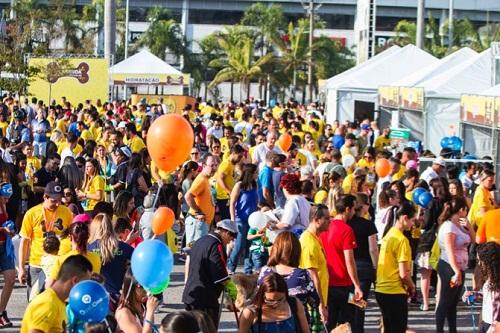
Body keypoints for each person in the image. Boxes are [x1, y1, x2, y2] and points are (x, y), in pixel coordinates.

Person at [18, 181, 73, 297]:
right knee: (34, 302)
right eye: (54, 200)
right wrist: (22, 268)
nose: (57, 204)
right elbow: (25, 242)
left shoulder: (67, 212)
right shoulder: (32, 214)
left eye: (59, 200)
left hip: (58, 265)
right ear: (45, 197)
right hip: (37, 265)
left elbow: (72, 237)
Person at [258, 231, 320, 328]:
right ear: (297, 251)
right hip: (296, 325)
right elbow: (315, 301)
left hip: (268, 325)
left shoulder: (264, 272)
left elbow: (257, 297)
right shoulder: (302, 275)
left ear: (276, 249)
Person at [182, 219, 237, 328]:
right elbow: (218, 270)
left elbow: (188, 261)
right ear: (225, 232)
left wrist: (186, 281)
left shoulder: (200, 240)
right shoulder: (216, 245)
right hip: (205, 298)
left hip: (191, 293)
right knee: (208, 329)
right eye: (231, 236)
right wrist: (229, 285)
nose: (231, 240)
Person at [320, 194, 363, 330]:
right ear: (347, 209)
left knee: (329, 322)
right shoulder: (347, 230)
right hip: (345, 285)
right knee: (350, 321)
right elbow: (349, 261)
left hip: (327, 283)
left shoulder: (325, 227)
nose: (354, 213)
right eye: (353, 210)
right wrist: (357, 285)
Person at [20, 255, 92, 333]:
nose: (86, 289)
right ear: (75, 281)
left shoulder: (59, 301)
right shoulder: (48, 303)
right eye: (85, 284)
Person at [375, 202, 417, 333]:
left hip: (381, 289)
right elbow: (404, 274)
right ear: (404, 218)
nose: (413, 224)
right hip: (394, 291)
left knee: (387, 328)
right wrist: (412, 286)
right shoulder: (402, 240)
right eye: (412, 220)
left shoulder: (388, 235)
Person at [435, 196, 475, 333]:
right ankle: (439, 330)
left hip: (460, 266)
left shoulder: (460, 225)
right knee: (445, 301)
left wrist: (469, 226)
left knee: (453, 303)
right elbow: (450, 250)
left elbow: (474, 240)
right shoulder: (448, 227)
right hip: (449, 266)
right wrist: (456, 271)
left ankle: (453, 330)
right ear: (461, 210)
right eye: (466, 210)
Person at [88, 213, 133, 309]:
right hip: (119, 297)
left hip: (94, 298)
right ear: (111, 227)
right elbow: (135, 270)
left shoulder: (88, 248)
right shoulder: (125, 248)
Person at [348, 193, 379, 333]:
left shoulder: (348, 224)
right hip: (365, 268)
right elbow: (373, 249)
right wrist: (376, 267)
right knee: (360, 305)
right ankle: (358, 330)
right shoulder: (368, 225)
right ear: (364, 206)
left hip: (350, 267)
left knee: (351, 303)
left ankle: (351, 329)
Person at [239, 272, 310, 333]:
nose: (275, 304)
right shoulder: (250, 312)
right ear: (262, 295)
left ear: (286, 293)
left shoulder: (294, 304)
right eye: (270, 301)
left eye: (280, 300)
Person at [47, 216, 102, 287]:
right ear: (88, 237)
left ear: (70, 237)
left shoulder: (62, 260)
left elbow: (49, 286)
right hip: (88, 296)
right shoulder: (96, 258)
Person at [299, 203, 330, 326]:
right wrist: (321, 305)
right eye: (327, 218)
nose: (330, 221)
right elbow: (313, 276)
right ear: (317, 220)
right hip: (313, 304)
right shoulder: (309, 243)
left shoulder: (316, 238)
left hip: (319, 299)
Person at [228, 163, 259, 274]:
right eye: (255, 172)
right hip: (241, 219)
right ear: (250, 173)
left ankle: (248, 269)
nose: (257, 174)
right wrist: (233, 219)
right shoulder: (239, 185)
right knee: (239, 245)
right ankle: (231, 267)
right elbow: (232, 203)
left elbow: (256, 202)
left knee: (250, 245)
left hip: (252, 220)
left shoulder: (255, 185)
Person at [184, 154, 218, 246]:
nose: (214, 168)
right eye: (212, 165)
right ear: (204, 166)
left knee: (198, 253)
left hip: (202, 224)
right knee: (194, 253)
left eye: (216, 165)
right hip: (197, 223)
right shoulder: (201, 180)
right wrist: (198, 211)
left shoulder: (206, 179)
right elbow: (188, 196)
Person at [115, 268, 160, 333]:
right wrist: (150, 312)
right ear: (131, 288)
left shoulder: (142, 306)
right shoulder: (124, 313)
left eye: (149, 287)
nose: (147, 291)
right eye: (142, 287)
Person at [475, 242, 500, 333]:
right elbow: (490, 297)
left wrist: (494, 327)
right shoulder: (490, 277)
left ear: (489, 262)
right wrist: (476, 295)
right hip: (486, 322)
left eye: (480, 261)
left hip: (494, 326)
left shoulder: (497, 282)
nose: (479, 264)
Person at [215, 144, 244, 220]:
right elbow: (219, 179)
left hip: (228, 197)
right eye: (239, 156)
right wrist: (229, 192)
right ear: (233, 153)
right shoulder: (226, 164)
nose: (240, 159)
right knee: (226, 220)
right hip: (224, 197)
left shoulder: (231, 164)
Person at [0, 183, 15, 328]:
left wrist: (9, 228)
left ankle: (1, 312)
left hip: (5, 246)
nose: (7, 201)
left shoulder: (3, 205)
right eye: (5, 198)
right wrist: (3, 228)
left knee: (11, 279)